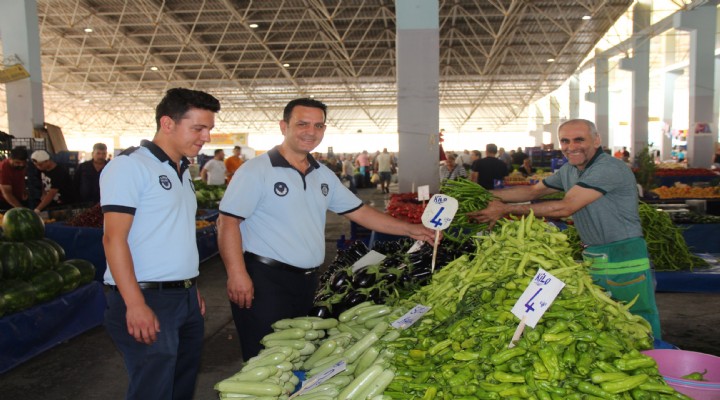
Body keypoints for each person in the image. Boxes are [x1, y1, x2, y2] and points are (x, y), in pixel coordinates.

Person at [216, 98, 437, 361]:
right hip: (265, 280)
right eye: (302, 124)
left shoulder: (323, 174)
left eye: (318, 125)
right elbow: (228, 222)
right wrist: (236, 273)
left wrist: (411, 230)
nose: (311, 131)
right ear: (283, 126)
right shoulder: (256, 171)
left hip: (307, 281)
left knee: (296, 354)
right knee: (264, 358)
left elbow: (360, 212)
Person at [468, 119, 661, 339]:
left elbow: (566, 207)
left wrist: (503, 210)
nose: (571, 146)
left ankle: (656, 361)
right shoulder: (570, 170)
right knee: (610, 321)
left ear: (597, 140)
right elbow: (532, 193)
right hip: (595, 253)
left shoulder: (608, 168)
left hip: (623, 255)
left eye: (579, 139)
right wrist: (483, 196)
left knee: (635, 320)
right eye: (565, 141)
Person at [100, 88, 220, 400]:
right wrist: (135, 303)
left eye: (209, 129)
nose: (206, 136)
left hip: (183, 298)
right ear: (167, 123)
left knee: (181, 385)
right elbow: (113, 238)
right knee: (153, 390)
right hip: (147, 297)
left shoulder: (181, 170)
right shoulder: (130, 166)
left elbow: (173, 235)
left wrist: (190, 287)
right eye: (198, 128)